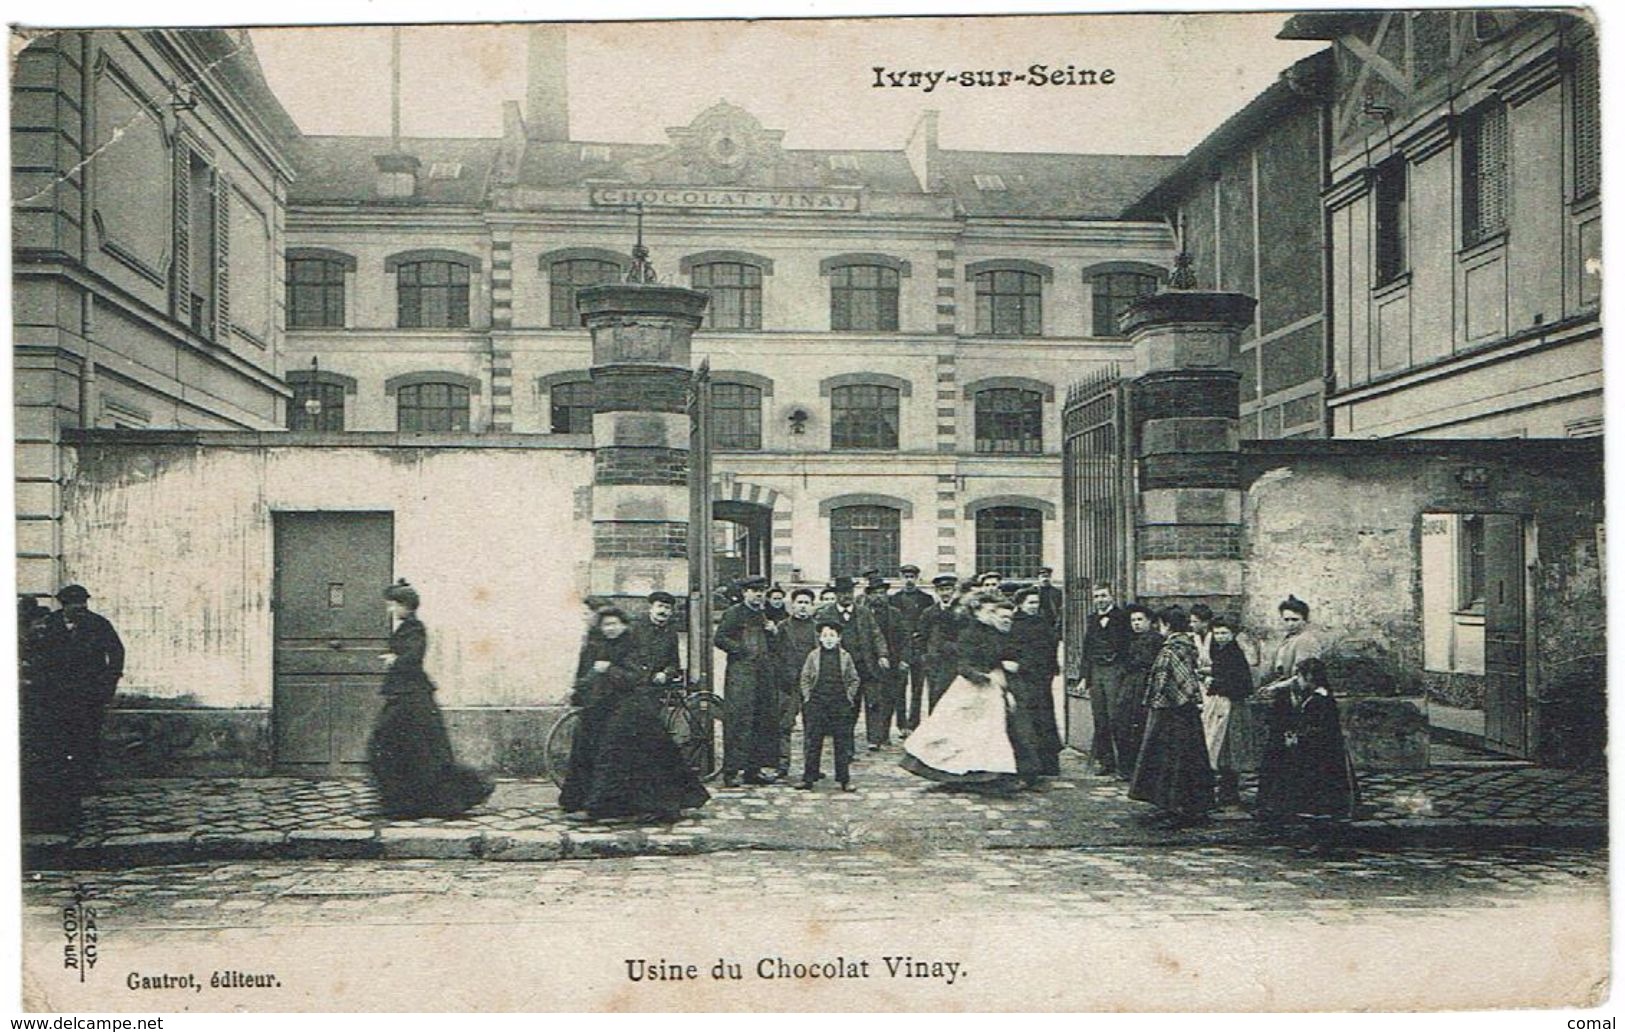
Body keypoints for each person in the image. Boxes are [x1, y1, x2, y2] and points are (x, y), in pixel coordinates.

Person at [561, 605, 710, 821]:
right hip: (603, 706)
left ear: (623, 625)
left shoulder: (633, 645)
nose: (610, 629)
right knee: (585, 745)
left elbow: (635, 677)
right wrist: (576, 689)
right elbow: (589, 675)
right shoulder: (596, 645)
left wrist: (610, 669)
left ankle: (605, 807)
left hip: (632, 707)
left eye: (614, 624)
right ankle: (581, 800)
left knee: (614, 752)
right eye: (605, 624)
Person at [367, 580, 494, 818]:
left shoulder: (415, 628)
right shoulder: (407, 627)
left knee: (401, 749)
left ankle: (411, 803)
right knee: (408, 751)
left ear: (405, 605)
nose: (390, 610)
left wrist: (395, 659)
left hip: (412, 700)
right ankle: (402, 803)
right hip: (405, 697)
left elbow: (414, 657)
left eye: (392, 605)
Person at [900, 590, 1027, 788]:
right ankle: (955, 774)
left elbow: (1002, 655)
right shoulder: (969, 633)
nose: (992, 614)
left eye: (994, 611)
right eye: (988, 611)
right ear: (976, 612)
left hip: (992, 689)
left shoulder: (994, 632)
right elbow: (963, 664)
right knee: (957, 732)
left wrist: (1003, 666)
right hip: (971, 689)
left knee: (989, 734)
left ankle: (990, 775)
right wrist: (982, 676)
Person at [30, 585, 125, 832]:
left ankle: (87, 780)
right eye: (75, 602)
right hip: (56, 695)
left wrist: (109, 682)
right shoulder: (48, 625)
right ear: (63, 604)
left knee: (88, 736)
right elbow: (35, 655)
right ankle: (64, 785)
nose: (80, 606)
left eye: (83, 602)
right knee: (59, 739)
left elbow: (116, 652)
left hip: (89, 694)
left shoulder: (98, 624)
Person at [1128, 606, 1214, 827]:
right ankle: (1184, 806)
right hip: (1186, 712)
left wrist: (1155, 703)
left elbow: (1164, 681)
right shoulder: (1188, 645)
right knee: (1189, 759)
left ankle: (1177, 808)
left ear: (1166, 625)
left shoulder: (1170, 650)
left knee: (1171, 760)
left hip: (1171, 712)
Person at [1255, 657, 1359, 821]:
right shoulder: (1302, 694)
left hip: (1320, 745)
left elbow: (1322, 727)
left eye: (1301, 677)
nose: (1297, 680)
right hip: (1304, 740)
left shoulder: (1321, 698)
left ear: (1310, 679)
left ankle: (1315, 805)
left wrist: (1299, 735)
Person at [713, 576, 780, 786]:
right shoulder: (734, 613)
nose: (758, 595)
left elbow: (772, 645)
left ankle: (753, 769)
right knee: (738, 721)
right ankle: (731, 771)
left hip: (763, 674)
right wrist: (740, 650)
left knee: (761, 720)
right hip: (740, 675)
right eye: (754, 591)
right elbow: (720, 638)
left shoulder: (762, 614)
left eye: (761, 592)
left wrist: (772, 632)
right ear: (744, 593)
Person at [814, 577, 888, 750]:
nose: (846, 596)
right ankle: (847, 744)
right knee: (848, 706)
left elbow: (876, 635)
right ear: (836, 594)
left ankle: (874, 739)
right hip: (842, 668)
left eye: (849, 592)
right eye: (842, 593)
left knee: (873, 702)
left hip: (866, 665)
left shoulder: (864, 613)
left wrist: (882, 655)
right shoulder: (827, 614)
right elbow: (819, 640)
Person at [795, 619, 861, 792]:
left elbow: (854, 679)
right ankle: (808, 777)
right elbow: (805, 678)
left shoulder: (846, 656)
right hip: (817, 703)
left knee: (842, 742)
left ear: (839, 638)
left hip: (839, 704)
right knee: (813, 742)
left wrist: (848, 697)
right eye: (825, 635)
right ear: (820, 638)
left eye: (832, 635)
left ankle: (844, 779)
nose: (828, 639)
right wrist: (808, 697)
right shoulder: (813, 656)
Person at [1080, 584, 1132, 777]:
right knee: (1100, 718)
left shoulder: (1122, 618)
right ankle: (1106, 761)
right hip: (1096, 672)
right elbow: (1086, 648)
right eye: (1096, 596)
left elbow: (1128, 646)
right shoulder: (1092, 619)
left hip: (1115, 671)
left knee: (1116, 718)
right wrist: (1084, 676)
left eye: (1103, 596)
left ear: (1112, 596)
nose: (1100, 600)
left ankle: (1124, 765)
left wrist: (1122, 669)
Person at [1010, 588, 1063, 776]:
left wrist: (1050, 667)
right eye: (1030, 603)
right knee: (1026, 719)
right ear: (1020, 604)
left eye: (1036, 603)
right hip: (1023, 679)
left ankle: (1048, 763)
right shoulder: (1013, 624)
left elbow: (1050, 646)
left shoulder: (1042, 622)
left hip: (1041, 678)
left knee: (1044, 718)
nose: (1034, 606)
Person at [772, 588, 821, 780]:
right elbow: (774, 653)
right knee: (784, 725)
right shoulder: (782, 627)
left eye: (806, 603)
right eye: (799, 602)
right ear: (792, 605)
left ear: (812, 607)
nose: (802, 607)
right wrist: (782, 674)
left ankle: (812, 767)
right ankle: (782, 765)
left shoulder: (819, 629)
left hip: (811, 685)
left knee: (813, 727)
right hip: (788, 684)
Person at [888, 564, 935, 736]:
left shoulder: (926, 599)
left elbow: (929, 624)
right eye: (906, 577)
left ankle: (913, 724)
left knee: (917, 688)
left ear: (917, 578)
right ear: (901, 578)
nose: (909, 580)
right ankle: (901, 724)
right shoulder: (893, 599)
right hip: (900, 649)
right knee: (899, 687)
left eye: (912, 577)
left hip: (920, 648)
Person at [1120, 603, 1163, 780]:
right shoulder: (1133, 639)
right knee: (1127, 723)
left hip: (1145, 683)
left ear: (1150, 622)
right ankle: (1130, 769)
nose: (1136, 624)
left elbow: (1145, 661)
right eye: (1133, 620)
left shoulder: (1155, 639)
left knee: (1142, 724)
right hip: (1132, 684)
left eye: (1140, 620)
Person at [863, 580, 906, 750]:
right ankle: (874, 736)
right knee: (873, 699)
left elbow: (904, 638)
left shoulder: (895, 614)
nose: (879, 597)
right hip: (869, 663)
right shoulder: (863, 614)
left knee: (890, 698)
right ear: (869, 595)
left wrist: (904, 659)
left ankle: (884, 734)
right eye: (875, 593)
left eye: (882, 593)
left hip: (892, 663)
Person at [919, 574, 962, 712]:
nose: (945, 593)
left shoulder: (961, 611)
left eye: (948, 589)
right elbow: (921, 636)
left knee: (956, 698)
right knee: (935, 697)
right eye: (941, 590)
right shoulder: (929, 612)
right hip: (934, 663)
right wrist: (925, 656)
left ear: (954, 591)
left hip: (956, 663)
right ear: (937, 592)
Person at [627, 591, 683, 689]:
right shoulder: (635, 628)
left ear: (671, 612)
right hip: (633, 683)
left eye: (667, 608)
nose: (663, 611)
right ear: (651, 609)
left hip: (657, 684)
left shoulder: (671, 633)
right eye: (659, 606)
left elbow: (674, 662)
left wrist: (665, 674)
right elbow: (626, 657)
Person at [1267, 595, 1325, 683]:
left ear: (1305, 620)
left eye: (1295, 620)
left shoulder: (1306, 641)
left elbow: (1303, 677)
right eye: (1286, 620)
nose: (1290, 624)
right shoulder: (1287, 640)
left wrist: (1276, 687)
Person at [1035, 567, 1064, 636]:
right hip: (1037, 621)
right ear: (1038, 578)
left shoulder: (1057, 592)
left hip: (1052, 622)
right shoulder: (1033, 591)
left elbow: (1061, 608)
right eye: (1043, 577)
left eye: (1047, 576)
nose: (1045, 579)